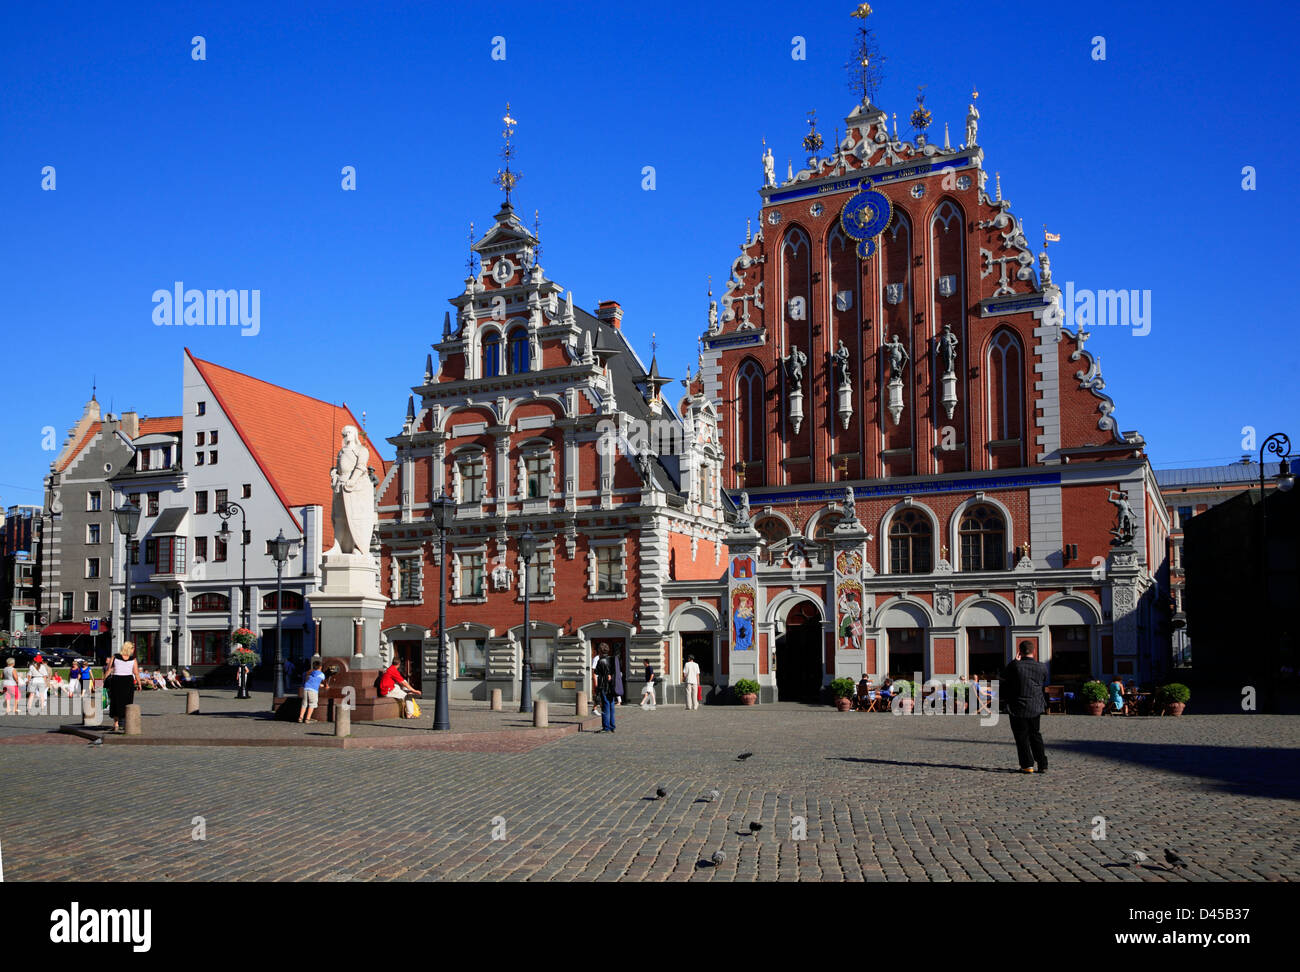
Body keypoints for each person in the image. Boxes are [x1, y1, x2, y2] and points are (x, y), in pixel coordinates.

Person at [1001, 641, 1048, 773]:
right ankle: (1042, 764)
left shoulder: (1016, 666)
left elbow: (1003, 676)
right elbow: (1043, 681)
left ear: (1020, 651)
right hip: (1035, 705)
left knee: (1021, 737)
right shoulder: (1042, 667)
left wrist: (1014, 661)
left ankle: (1027, 765)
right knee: (1035, 735)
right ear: (1034, 651)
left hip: (1018, 706)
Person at [107, 642, 141, 734]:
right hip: (127, 681)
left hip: (117, 680)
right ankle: (124, 723)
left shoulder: (115, 657)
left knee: (116, 701)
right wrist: (139, 683)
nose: (133, 650)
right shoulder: (133, 659)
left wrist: (104, 679)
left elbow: (109, 669)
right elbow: (136, 672)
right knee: (127, 701)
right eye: (133, 648)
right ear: (129, 648)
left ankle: (116, 723)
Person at [593, 643, 619, 732]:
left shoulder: (601, 661)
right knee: (611, 706)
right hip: (612, 686)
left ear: (600, 651)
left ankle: (606, 727)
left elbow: (596, 672)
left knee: (605, 706)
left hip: (604, 686)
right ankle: (612, 726)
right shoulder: (612, 659)